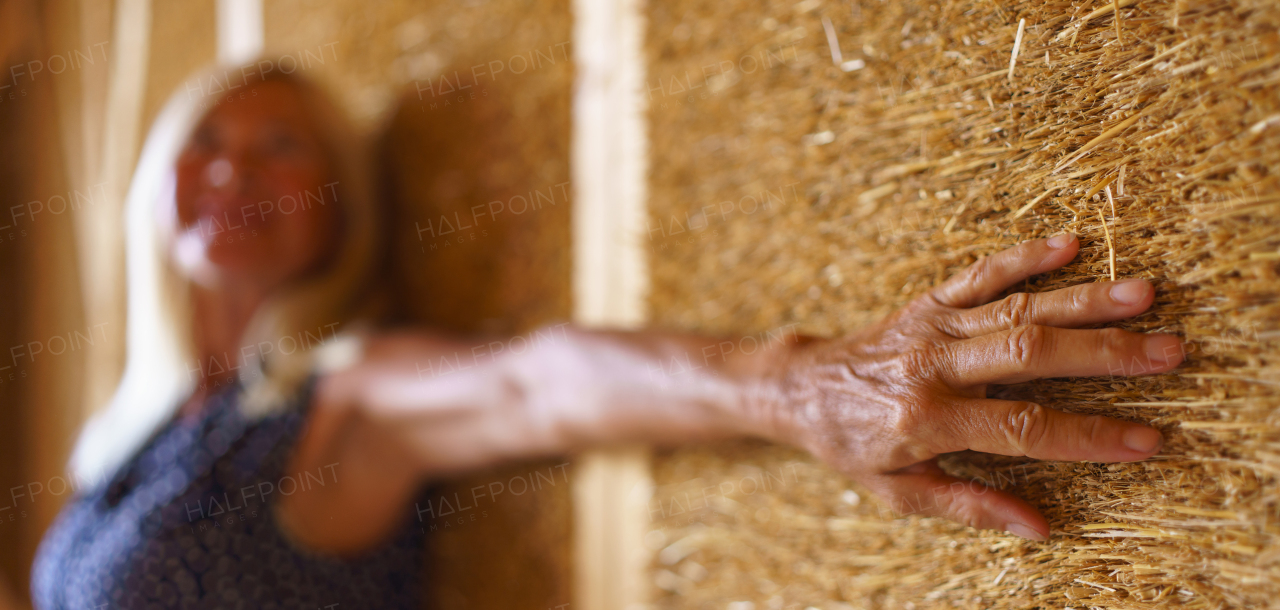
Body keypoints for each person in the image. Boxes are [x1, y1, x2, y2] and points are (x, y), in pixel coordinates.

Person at [31, 63, 1181, 608]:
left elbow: (535, 385)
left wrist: (803, 387)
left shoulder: (338, 399)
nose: (234, 165)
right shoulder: (119, 448)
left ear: (341, 213)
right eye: (210, 136)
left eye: (284, 147)